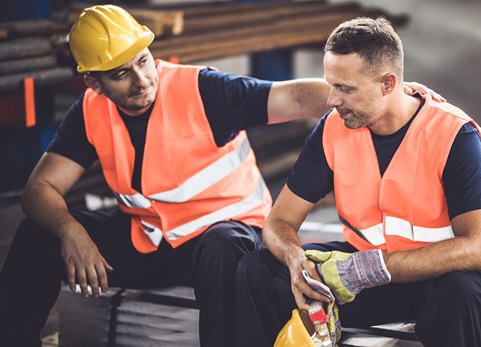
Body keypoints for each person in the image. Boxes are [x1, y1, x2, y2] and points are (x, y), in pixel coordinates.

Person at [0, 5, 442, 347]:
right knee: (37, 236)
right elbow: (39, 189)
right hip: (150, 238)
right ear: (93, 84)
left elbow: (294, 98)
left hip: (227, 235)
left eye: (143, 60)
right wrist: (70, 230)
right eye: (120, 74)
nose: (141, 79)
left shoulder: (202, 89)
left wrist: (394, 94)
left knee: (224, 250)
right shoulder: (90, 113)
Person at [235, 17, 481, 347]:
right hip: (370, 271)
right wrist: (298, 265)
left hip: (443, 276)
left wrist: (368, 269)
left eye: (345, 89)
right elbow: (279, 222)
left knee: (459, 294)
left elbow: (477, 250)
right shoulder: (332, 129)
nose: (331, 100)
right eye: (331, 85)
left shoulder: (454, 135)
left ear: (388, 83)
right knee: (257, 269)